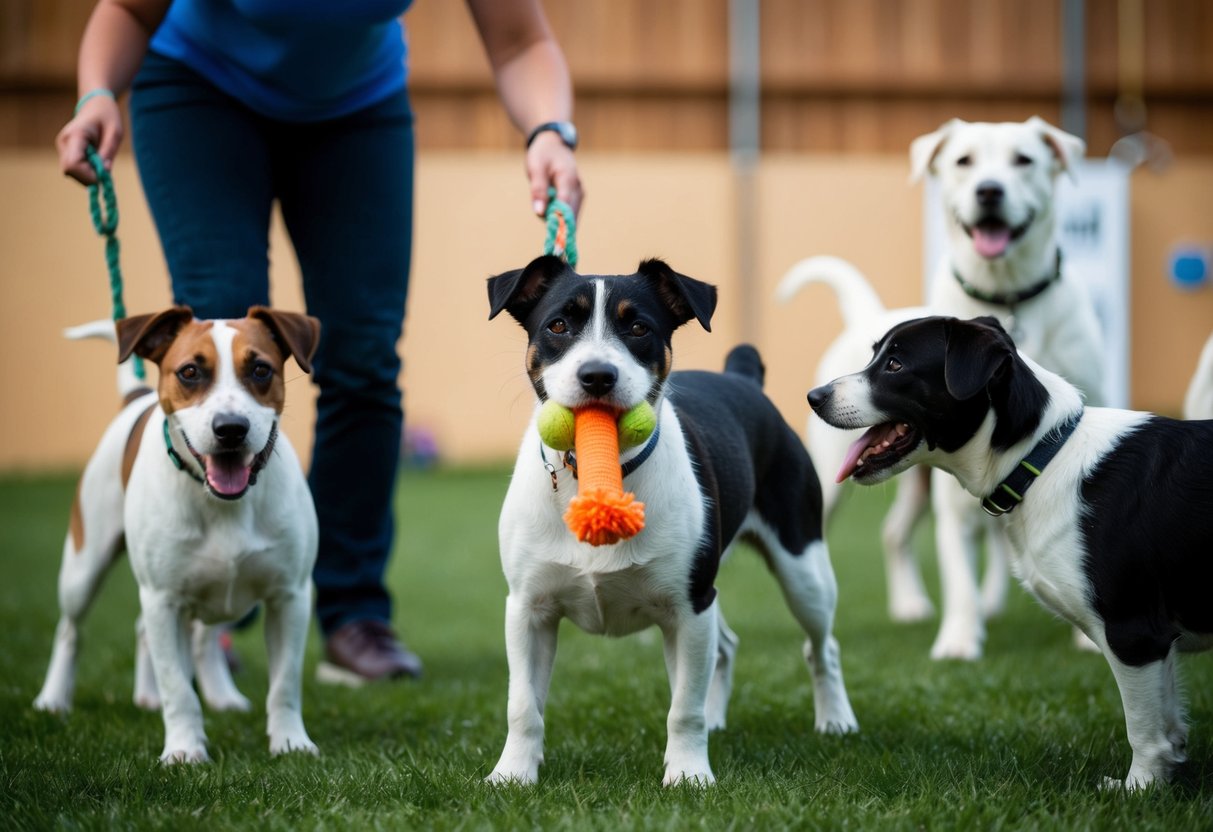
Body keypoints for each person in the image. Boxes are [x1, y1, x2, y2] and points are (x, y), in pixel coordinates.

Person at [56, 0, 584, 684]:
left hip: (356, 106)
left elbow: (518, 41)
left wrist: (549, 130)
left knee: (362, 355)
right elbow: (128, 8)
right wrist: (98, 90)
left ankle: (354, 612)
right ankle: (210, 612)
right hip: (198, 88)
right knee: (220, 338)